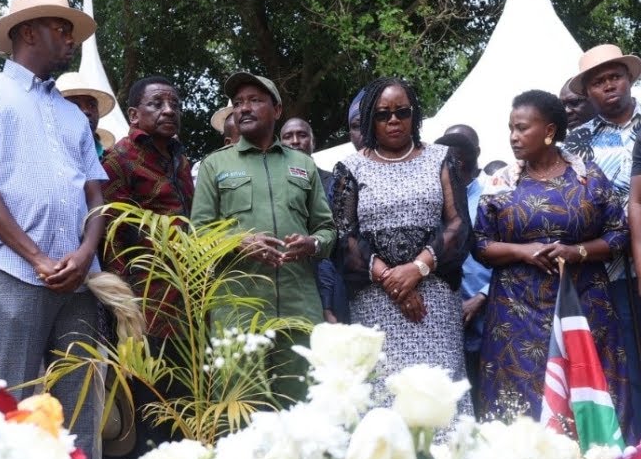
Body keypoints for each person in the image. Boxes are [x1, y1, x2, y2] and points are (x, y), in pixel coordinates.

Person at [0, 0, 107, 459]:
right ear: (26, 32)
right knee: (14, 410)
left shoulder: (73, 115)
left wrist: (84, 255)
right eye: (61, 28)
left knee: (82, 411)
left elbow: (97, 197)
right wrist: (39, 258)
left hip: (81, 281)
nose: (70, 39)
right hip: (17, 276)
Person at [475, 90, 628, 424]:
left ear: (548, 131)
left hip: (583, 307)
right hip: (516, 315)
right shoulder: (501, 183)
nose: (513, 137)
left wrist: (577, 252)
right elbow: (480, 244)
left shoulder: (588, 178)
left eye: (521, 128)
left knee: (586, 400)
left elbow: (619, 233)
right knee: (519, 408)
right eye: (510, 129)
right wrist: (522, 252)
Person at [330, 78, 472, 415]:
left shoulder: (442, 158)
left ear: (415, 115)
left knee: (439, 398)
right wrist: (393, 281)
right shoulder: (350, 168)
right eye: (383, 115)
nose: (393, 120)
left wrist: (417, 268)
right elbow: (344, 236)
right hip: (376, 303)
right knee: (385, 399)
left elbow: (458, 225)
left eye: (402, 112)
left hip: (433, 303)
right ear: (369, 119)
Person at [191, 72, 335, 403]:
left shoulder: (303, 165)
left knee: (302, 410)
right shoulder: (215, 165)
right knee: (239, 411)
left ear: (277, 109)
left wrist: (312, 244)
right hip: (238, 311)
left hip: (299, 309)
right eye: (238, 103)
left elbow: (327, 230)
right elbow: (198, 233)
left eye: (255, 100)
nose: (244, 108)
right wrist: (238, 242)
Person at [100, 75, 192, 459]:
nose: (168, 110)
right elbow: (112, 231)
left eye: (173, 103)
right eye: (157, 104)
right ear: (134, 114)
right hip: (144, 303)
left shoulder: (180, 158)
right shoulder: (118, 159)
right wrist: (128, 304)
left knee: (185, 398)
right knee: (148, 401)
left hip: (187, 298)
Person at [564, 44, 641, 443]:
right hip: (609, 269)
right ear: (589, 92)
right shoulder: (575, 144)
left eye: (614, 77)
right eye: (599, 82)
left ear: (629, 80)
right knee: (627, 361)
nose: (609, 86)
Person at [435, 128, 489, 414]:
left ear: (474, 155)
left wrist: (482, 296)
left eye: (460, 155)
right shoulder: (435, 197)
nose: (454, 162)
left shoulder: (494, 193)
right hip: (446, 315)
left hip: (491, 311)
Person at [281, 116, 347, 323]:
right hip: (289, 284)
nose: (295, 141)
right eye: (287, 136)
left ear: (312, 141)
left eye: (302, 135)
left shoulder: (335, 182)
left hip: (335, 279)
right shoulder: (272, 186)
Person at [57, 71, 115, 157]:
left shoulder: (107, 162)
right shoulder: (42, 156)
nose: (86, 111)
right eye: (75, 105)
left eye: (92, 105)